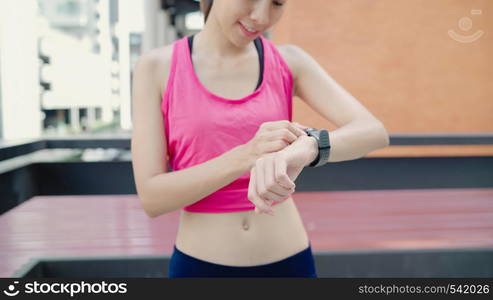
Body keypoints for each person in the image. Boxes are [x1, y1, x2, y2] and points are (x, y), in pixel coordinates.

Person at [131, 0, 389, 277]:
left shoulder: (290, 60)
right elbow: (152, 198)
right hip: (201, 266)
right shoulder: (156, 67)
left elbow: (373, 132)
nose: (261, 17)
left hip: (290, 263)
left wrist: (310, 146)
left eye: (277, 3)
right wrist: (247, 154)